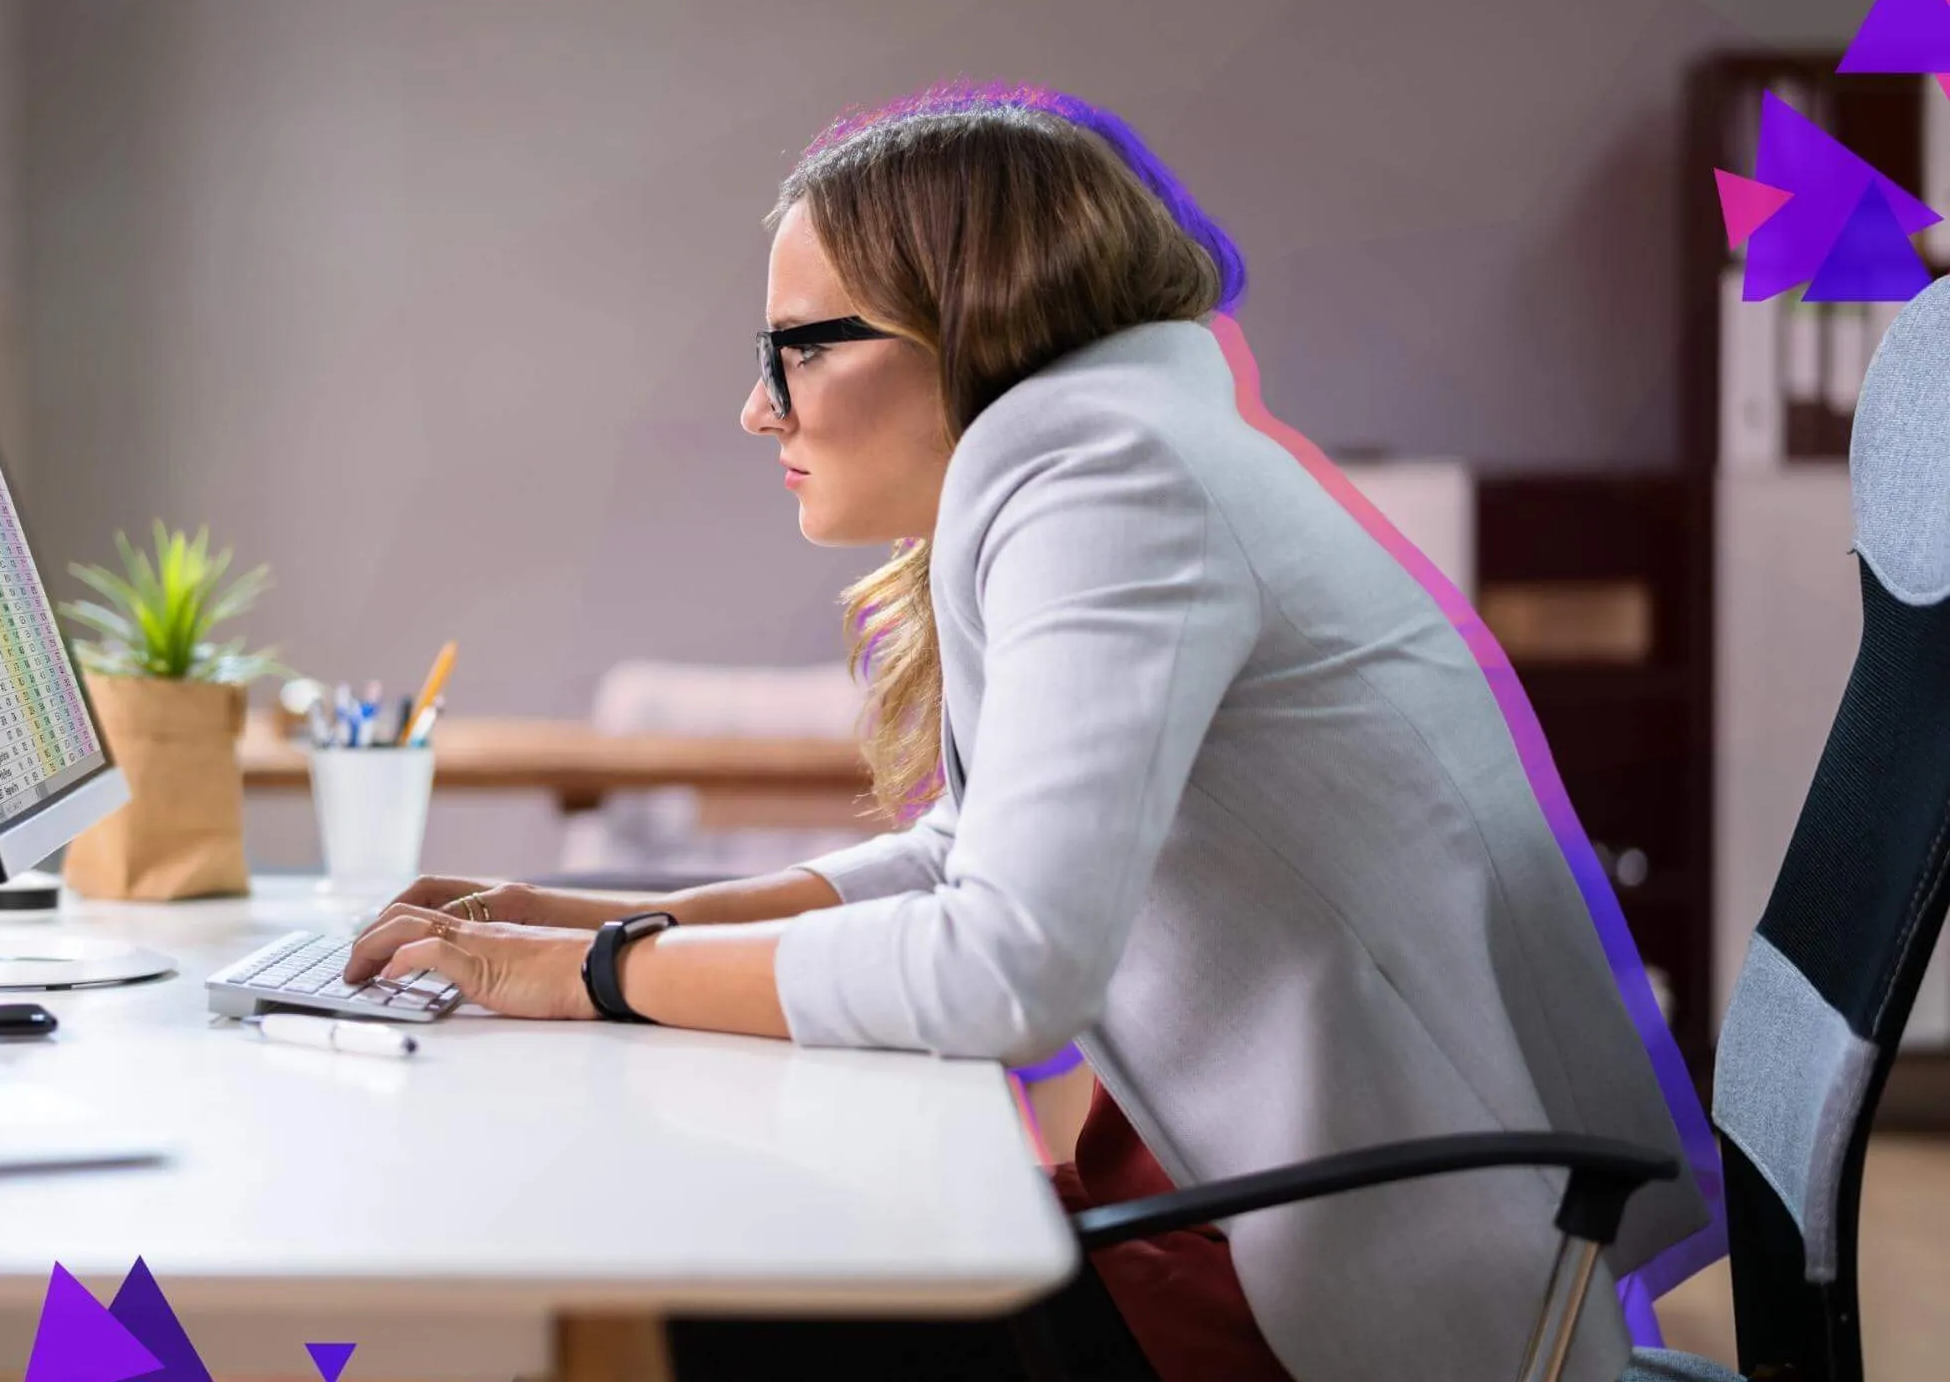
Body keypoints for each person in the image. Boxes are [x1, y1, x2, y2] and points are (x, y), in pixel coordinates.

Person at [345, 82, 1708, 1382]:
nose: (760, 404)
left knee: (692, 1264)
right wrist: (606, 924)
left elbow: (1006, 970)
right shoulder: (1113, 447)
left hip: (1319, 1285)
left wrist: (600, 973)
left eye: (797, 348)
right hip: (1239, 1209)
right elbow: (966, 858)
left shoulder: (1107, 481)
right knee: (716, 1226)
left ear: (967, 322)